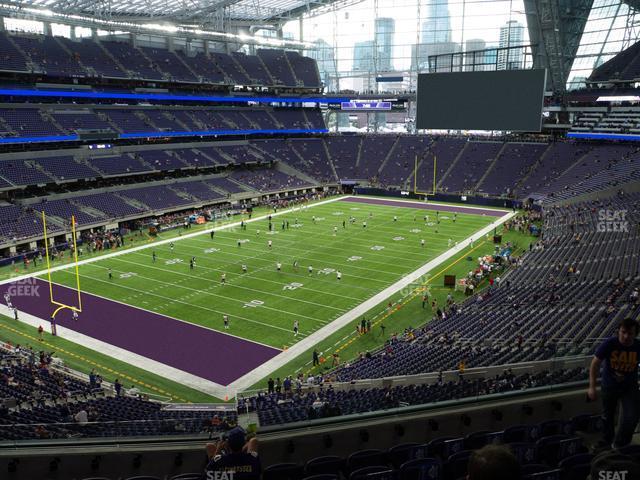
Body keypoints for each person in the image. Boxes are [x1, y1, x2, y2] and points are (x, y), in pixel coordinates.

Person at [588, 317, 640, 449]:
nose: (626, 336)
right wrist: (592, 387)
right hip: (609, 386)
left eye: (630, 333)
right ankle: (606, 441)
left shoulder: (638, 346)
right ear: (619, 331)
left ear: (636, 334)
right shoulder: (610, 343)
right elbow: (594, 364)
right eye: (623, 332)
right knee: (607, 417)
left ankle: (620, 444)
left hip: (629, 387)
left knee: (631, 417)